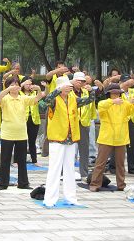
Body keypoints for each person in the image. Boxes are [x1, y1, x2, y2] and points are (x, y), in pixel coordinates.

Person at [43, 76, 95, 207]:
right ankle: (50, 199)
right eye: (65, 87)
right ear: (60, 87)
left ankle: (71, 197)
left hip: (71, 139)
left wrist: (91, 91)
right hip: (57, 139)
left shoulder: (73, 99)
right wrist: (58, 89)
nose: (68, 89)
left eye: (69, 87)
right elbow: (46, 99)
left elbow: (89, 100)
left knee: (70, 170)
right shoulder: (54, 99)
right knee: (54, 170)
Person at [0, 76, 43, 190]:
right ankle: (3, 183)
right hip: (8, 133)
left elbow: (36, 99)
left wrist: (38, 89)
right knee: (5, 159)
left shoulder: (23, 98)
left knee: (22, 160)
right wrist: (8, 89)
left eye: (16, 84)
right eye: (12, 84)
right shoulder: (5, 98)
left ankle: (23, 183)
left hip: (21, 133)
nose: (15, 86)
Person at [89, 83, 134, 192]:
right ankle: (95, 184)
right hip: (106, 138)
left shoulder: (124, 104)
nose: (116, 95)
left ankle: (121, 185)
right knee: (100, 163)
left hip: (121, 138)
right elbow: (101, 106)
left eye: (118, 93)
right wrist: (112, 102)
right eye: (113, 93)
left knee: (120, 164)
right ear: (109, 94)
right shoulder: (104, 103)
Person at [72, 72, 102, 181]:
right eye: (78, 80)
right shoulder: (69, 92)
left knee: (84, 150)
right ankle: (66, 172)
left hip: (84, 123)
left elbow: (92, 104)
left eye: (83, 81)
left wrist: (91, 118)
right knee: (69, 149)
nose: (80, 83)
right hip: (71, 123)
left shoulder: (87, 92)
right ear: (73, 81)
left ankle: (83, 173)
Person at [19, 77, 43, 166]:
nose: (29, 86)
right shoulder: (18, 93)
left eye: (30, 84)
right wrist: (21, 84)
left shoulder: (35, 93)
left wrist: (40, 88)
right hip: (22, 119)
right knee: (21, 141)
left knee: (32, 141)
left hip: (33, 119)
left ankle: (34, 160)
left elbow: (43, 95)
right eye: (27, 84)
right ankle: (19, 160)